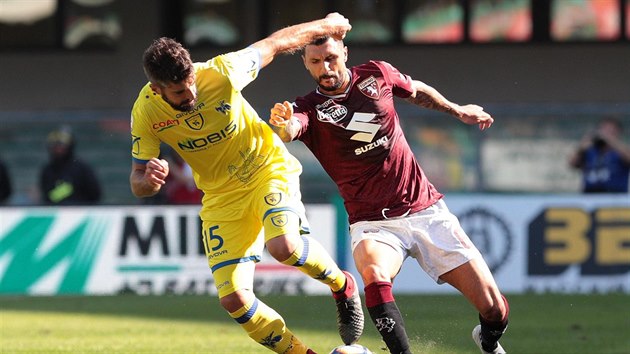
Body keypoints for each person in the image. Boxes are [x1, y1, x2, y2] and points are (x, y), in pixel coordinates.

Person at [129, 14, 364, 354]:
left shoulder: (221, 71)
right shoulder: (145, 112)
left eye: (191, 81)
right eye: (180, 92)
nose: (191, 92)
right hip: (221, 197)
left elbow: (276, 43)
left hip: (265, 169)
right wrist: (147, 183)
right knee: (234, 300)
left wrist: (326, 25)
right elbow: (138, 180)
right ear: (157, 89)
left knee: (284, 247)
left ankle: (342, 285)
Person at [269, 36, 509, 354]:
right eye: (315, 62)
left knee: (494, 309)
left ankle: (488, 341)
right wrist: (284, 127)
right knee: (374, 272)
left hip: (425, 210)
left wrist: (456, 110)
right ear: (305, 63)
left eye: (330, 58)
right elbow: (292, 128)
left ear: (344, 52)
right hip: (372, 223)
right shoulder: (307, 108)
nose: (325, 68)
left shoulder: (376, 74)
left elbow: (417, 90)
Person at [40, 126, 101, 205]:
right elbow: (47, 197)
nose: (58, 150)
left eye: (61, 146)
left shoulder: (81, 168)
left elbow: (95, 194)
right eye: (55, 146)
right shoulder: (47, 170)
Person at [569, 117, 630, 193]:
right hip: (591, 196)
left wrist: (610, 141)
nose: (605, 134)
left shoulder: (620, 151)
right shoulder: (590, 151)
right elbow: (572, 164)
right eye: (604, 130)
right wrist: (581, 148)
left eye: (610, 131)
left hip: (615, 195)